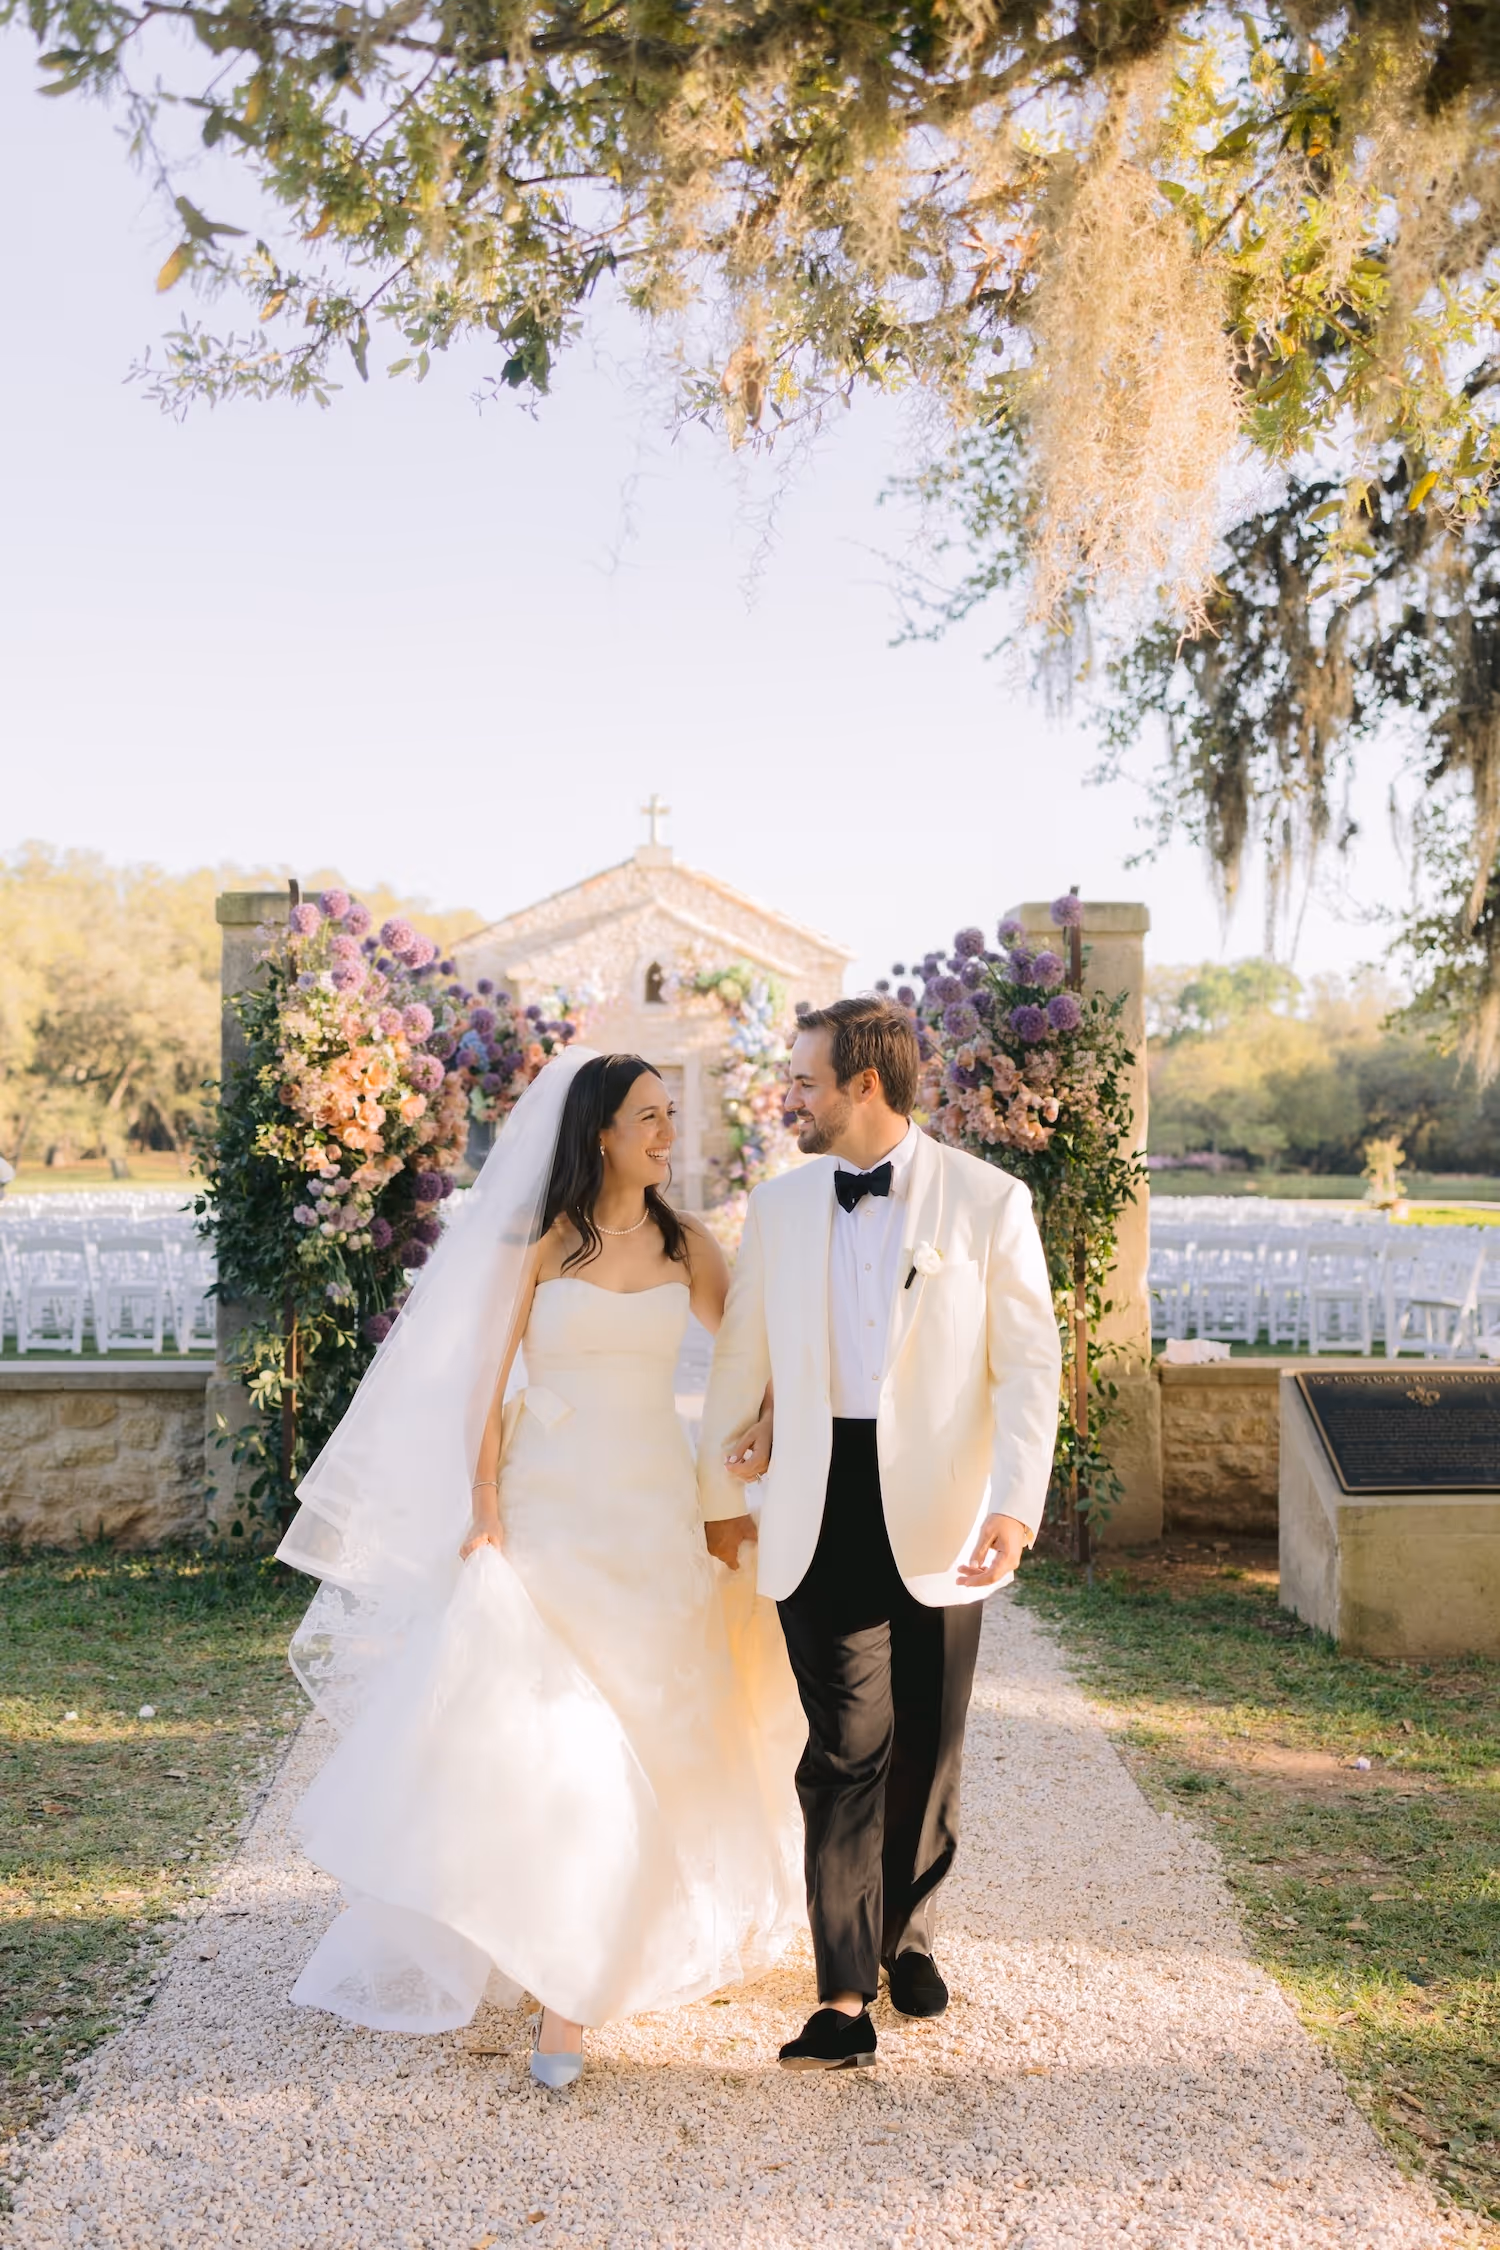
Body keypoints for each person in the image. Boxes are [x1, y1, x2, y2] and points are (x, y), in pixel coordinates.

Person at [277, 1049, 803, 2091]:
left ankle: (591, 1962)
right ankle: (561, 1981)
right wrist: (483, 1506)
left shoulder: (688, 1243)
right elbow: (481, 1382)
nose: (667, 1133)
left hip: (650, 1511)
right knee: (554, 1735)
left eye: (669, 1114)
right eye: (649, 1116)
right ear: (600, 1132)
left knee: (648, 1722)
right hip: (547, 1507)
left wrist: (768, 1427)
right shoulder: (537, 1241)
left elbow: (758, 1352)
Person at [699, 995, 1061, 2072]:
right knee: (843, 1751)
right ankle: (844, 1996)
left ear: (863, 1085)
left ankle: (908, 1935)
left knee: (929, 1745)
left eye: (804, 1081)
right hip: (819, 1504)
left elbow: (1028, 1367)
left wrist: (1015, 1505)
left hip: (945, 1509)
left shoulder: (990, 1201)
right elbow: (743, 1354)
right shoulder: (779, 1207)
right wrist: (722, 1484)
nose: (791, 1098)